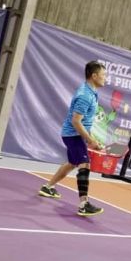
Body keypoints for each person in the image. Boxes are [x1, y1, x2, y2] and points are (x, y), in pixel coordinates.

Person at [38, 60, 106, 216]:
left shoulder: (92, 92)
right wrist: (90, 141)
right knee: (85, 165)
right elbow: (76, 121)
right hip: (73, 135)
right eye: (103, 75)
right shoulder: (85, 96)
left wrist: (91, 138)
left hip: (74, 134)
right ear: (94, 76)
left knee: (72, 163)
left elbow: (85, 121)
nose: (105, 78)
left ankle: (48, 187)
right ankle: (84, 204)